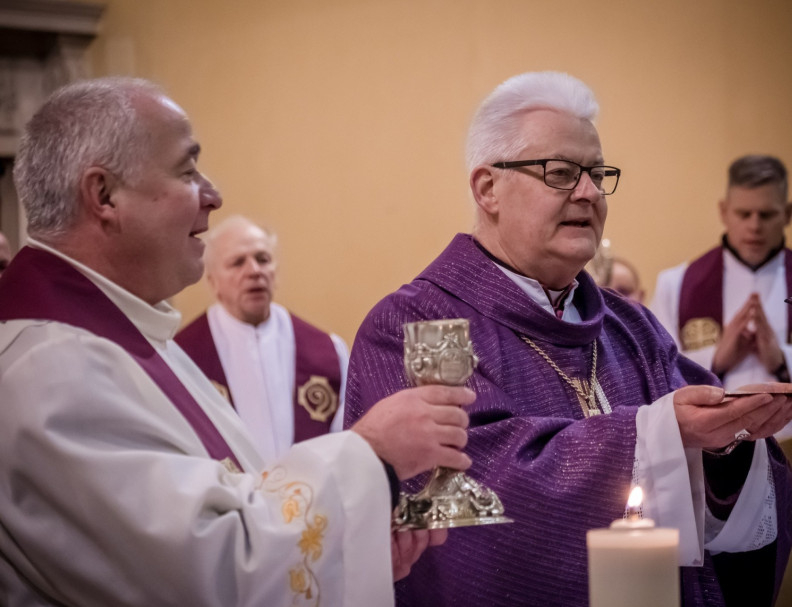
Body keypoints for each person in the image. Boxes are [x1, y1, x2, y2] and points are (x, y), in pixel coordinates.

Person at [0, 77, 474, 606]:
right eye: (187, 171)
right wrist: (371, 452)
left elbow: (229, 507)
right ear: (105, 196)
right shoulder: (52, 368)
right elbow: (202, 571)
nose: (213, 195)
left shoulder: (129, 335)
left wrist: (343, 552)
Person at [344, 72, 792, 607]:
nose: (588, 193)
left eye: (597, 174)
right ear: (488, 188)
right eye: (561, 173)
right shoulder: (421, 325)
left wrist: (728, 444)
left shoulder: (629, 326)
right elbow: (463, 502)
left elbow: (717, 459)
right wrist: (659, 436)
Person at [652, 155, 792, 436]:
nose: (755, 226)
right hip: (710, 457)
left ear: (788, 213)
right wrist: (715, 361)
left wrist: (785, 363)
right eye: (744, 214)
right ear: (724, 212)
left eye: (766, 215)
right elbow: (653, 378)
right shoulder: (675, 285)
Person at [176, 215, 347, 461]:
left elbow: (344, 442)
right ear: (213, 281)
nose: (254, 271)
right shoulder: (181, 357)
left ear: (275, 272)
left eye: (263, 259)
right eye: (237, 262)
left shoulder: (328, 351)